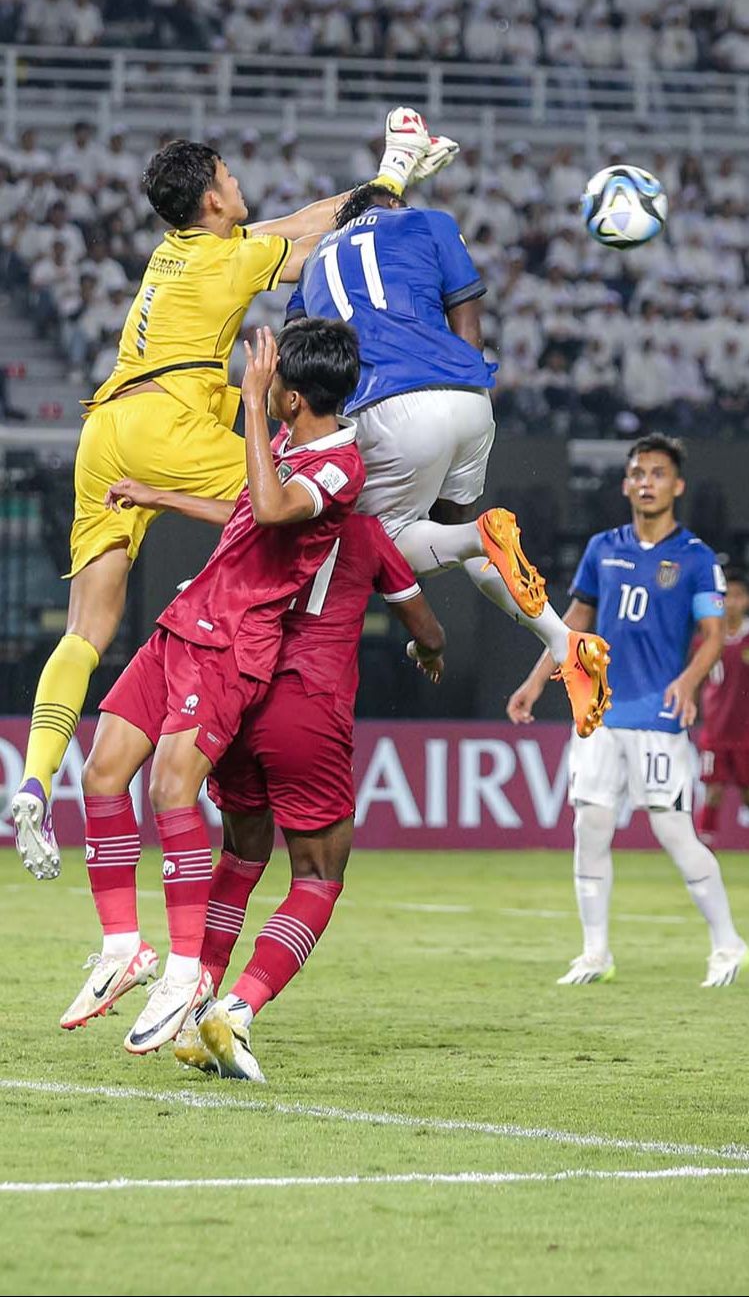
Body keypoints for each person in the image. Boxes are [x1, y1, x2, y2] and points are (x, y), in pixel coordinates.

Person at [11, 110, 448, 880]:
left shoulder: (178, 252)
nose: (240, 184)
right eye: (229, 177)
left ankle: (34, 780)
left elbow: (299, 219)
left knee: (87, 627)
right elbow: (321, 234)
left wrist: (392, 174)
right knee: (299, 498)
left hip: (105, 424)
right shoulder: (228, 263)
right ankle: (409, 567)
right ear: (212, 200)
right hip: (168, 422)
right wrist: (392, 172)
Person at [60, 319, 367, 1055]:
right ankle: (123, 945)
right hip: (185, 619)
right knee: (101, 769)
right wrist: (158, 495)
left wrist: (254, 409)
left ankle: (185, 970)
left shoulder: (340, 467)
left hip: (234, 644)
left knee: (170, 788)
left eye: (268, 375)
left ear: (291, 395)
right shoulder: (290, 445)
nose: (253, 379)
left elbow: (266, 507)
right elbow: (243, 512)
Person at [285, 182, 611, 738]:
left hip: (386, 403)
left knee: (373, 545)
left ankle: (292, 679)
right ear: (390, 205)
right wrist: (464, 385)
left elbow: (304, 355)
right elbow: (467, 315)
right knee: (453, 536)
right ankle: (562, 641)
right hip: (466, 398)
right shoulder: (430, 222)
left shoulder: (315, 261)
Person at [507, 434, 747, 988]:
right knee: (589, 827)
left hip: (658, 718)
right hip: (598, 715)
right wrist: (534, 681)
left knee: (674, 833)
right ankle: (595, 954)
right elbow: (571, 625)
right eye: (638, 473)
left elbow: (713, 635)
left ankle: (728, 943)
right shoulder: (601, 548)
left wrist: (688, 683)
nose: (646, 482)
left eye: (658, 474)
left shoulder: (696, 559)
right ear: (624, 484)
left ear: (677, 485)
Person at [696, 569, 749, 849]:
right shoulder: (707, 637)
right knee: (712, 790)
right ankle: (705, 847)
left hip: (746, 733)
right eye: (726, 596)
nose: (731, 602)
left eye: (738, 596)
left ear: (746, 601)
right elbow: (695, 677)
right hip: (715, 732)